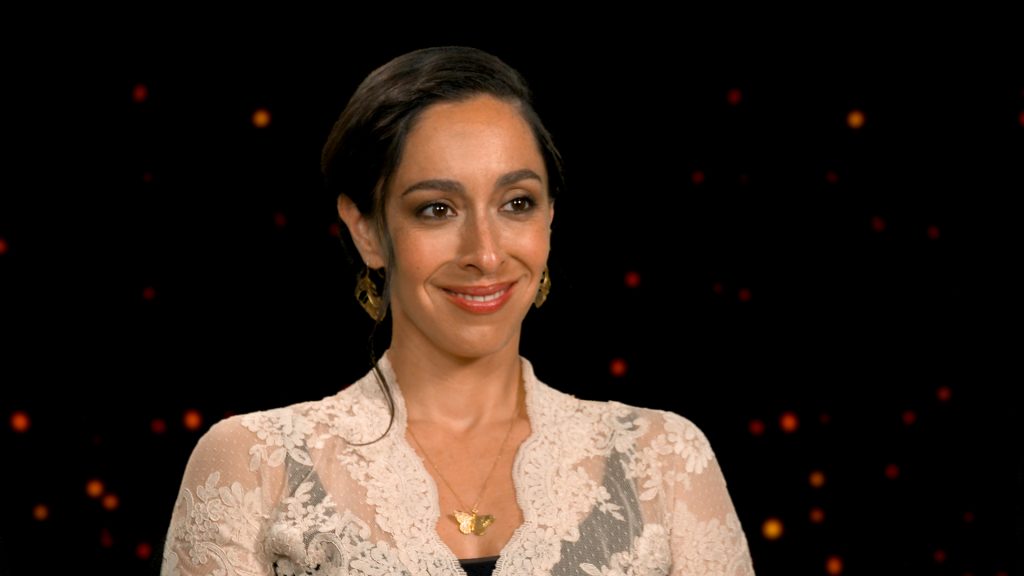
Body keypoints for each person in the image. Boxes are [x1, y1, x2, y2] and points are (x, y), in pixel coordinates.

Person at [160, 45, 756, 576]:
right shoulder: (254, 464)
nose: (486, 253)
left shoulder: (664, 458)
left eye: (516, 203)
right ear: (366, 230)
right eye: (437, 209)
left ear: (550, 218)